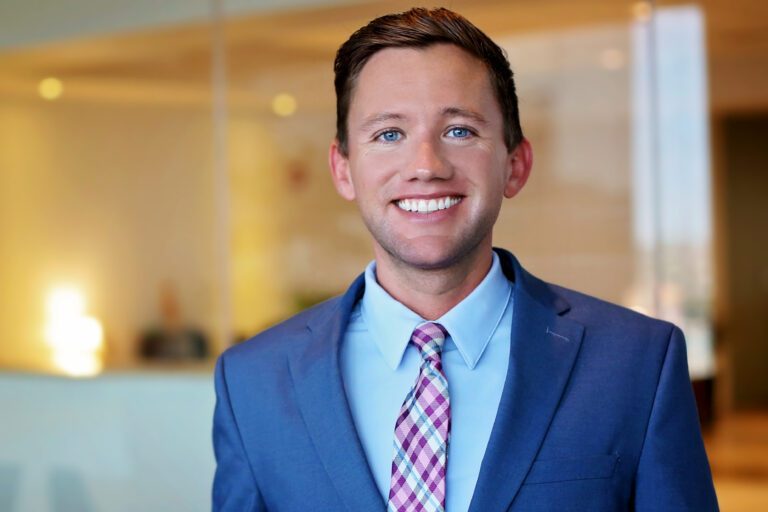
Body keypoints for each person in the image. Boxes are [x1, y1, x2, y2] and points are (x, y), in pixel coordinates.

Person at [212, 7, 718, 511]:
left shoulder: (637, 364)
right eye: (389, 134)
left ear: (515, 165)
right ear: (343, 170)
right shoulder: (253, 381)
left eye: (459, 130)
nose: (426, 166)